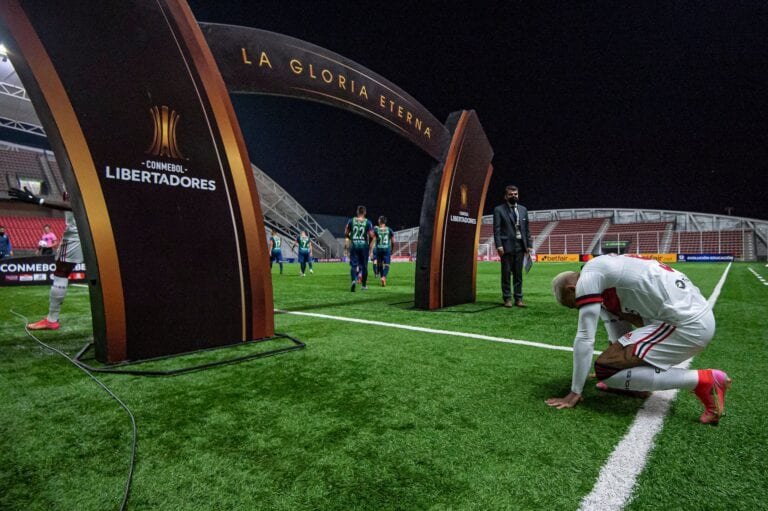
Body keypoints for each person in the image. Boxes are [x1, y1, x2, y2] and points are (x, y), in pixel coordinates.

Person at [546, 254, 731, 425]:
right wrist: (618, 364)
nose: (580, 309)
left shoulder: (589, 277)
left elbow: (585, 338)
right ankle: (631, 384)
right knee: (609, 370)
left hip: (686, 325)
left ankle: (703, 380)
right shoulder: (605, 274)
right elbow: (618, 331)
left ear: (572, 289)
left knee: (605, 369)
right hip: (689, 318)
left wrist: (575, 392)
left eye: (575, 305)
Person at [7, 187, 79, 330]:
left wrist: (39, 200)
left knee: (61, 272)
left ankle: (52, 319)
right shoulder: (75, 177)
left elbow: (78, 206)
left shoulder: (82, 175)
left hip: (76, 234)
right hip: (88, 231)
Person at [492, 185, 532, 307]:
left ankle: (518, 299)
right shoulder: (499, 210)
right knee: (506, 274)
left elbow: (526, 229)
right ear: (505, 196)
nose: (513, 196)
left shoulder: (523, 210)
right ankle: (507, 299)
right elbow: (496, 230)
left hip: (520, 246)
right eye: (511, 194)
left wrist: (529, 245)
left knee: (518, 274)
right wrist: (499, 245)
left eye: (515, 194)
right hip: (506, 246)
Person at [345, 205, 374, 292]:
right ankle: (364, 286)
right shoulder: (368, 222)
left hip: (354, 245)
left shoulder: (351, 220)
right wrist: (370, 247)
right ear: (365, 213)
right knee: (364, 267)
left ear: (357, 212)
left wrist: (350, 239)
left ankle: (353, 281)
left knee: (353, 265)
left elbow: (346, 233)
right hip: (364, 246)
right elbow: (371, 235)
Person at [371, 215, 394, 287]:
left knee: (380, 264)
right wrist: (392, 249)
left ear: (379, 221)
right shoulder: (389, 230)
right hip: (387, 248)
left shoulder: (376, 230)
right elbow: (393, 241)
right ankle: (383, 277)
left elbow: (373, 240)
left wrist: (371, 251)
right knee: (387, 264)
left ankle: (381, 277)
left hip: (378, 249)